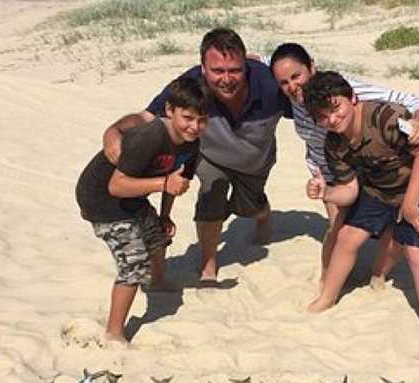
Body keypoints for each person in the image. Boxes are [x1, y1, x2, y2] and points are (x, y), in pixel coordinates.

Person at [103, 28, 292, 283]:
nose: (227, 79)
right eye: (217, 71)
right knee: (212, 192)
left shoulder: (269, 85)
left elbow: (309, 104)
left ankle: (262, 213)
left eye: (235, 70)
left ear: (246, 65)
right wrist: (114, 130)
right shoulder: (191, 85)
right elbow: (147, 117)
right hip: (210, 157)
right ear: (203, 68)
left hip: (254, 163)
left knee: (249, 207)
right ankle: (208, 265)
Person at [302, 71, 419, 361]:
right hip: (381, 179)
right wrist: (326, 193)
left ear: (352, 99)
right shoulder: (334, 143)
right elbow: (350, 190)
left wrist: (410, 203)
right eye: (323, 116)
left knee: (417, 252)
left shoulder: (387, 118)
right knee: (347, 235)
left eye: (336, 108)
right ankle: (327, 298)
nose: (332, 119)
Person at [269, 43, 419, 290]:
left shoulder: (343, 91)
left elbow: (410, 99)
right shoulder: (294, 97)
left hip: (364, 166)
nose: (292, 86)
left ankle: (377, 275)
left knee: (392, 225)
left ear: (312, 66)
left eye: (296, 76)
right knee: (337, 229)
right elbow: (269, 62)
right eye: (284, 82)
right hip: (326, 172)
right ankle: (328, 283)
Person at [76, 78, 209, 343]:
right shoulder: (150, 136)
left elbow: (176, 181)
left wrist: (165, 214)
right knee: (134, 263)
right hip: (101, 198)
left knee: (158, 237)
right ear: (169, 111)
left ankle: (158, 281)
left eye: (202, 119)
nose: (195, 126)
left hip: (133, 195)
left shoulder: (192, 143)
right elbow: (116, 186)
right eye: (188, 118)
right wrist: (163, 184)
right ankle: (114, 332)